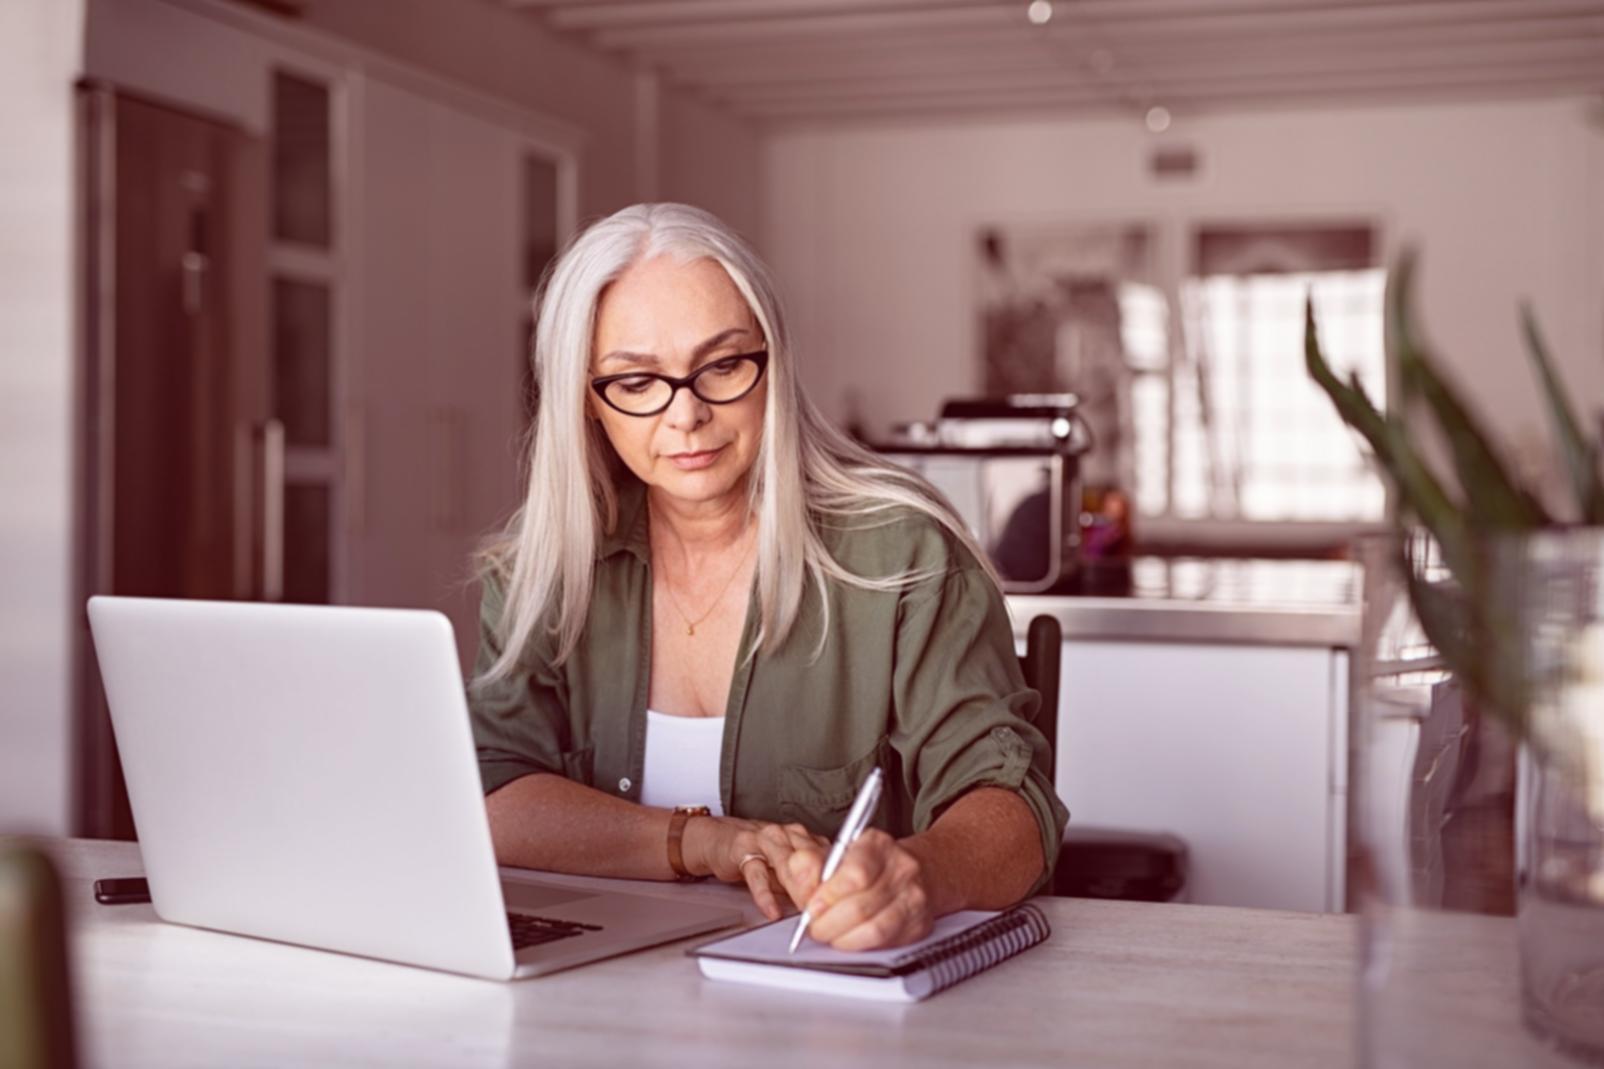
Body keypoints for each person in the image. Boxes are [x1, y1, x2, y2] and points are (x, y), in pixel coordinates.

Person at [471, 203, 1067, 951]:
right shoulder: (541, 566)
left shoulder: (905, 551)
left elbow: (1013, 807)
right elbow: (494, 797)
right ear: (587, 402)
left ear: (772, 363)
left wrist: (924, 872)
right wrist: (707, 841)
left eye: (721, 365)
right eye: (635, 381)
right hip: (595, 991)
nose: (685, 414)